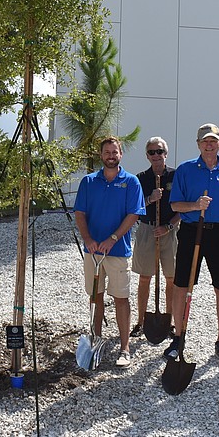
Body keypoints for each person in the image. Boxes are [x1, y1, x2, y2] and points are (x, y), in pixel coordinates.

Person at [165, 123, 219, 366]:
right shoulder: (186, 170)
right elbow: (175, 205)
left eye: (213, 141)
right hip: (191, 232)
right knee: (182, 286)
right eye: (204, 141)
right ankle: (178, 337)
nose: (209, 145)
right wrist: (195, 205)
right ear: (198, 144)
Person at [74, 136, 145, 368]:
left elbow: (133, 214)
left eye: (115, 152)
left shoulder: (131, 182)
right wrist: (88, 239)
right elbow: (80, 213)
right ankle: (95, 342)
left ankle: (125, 348)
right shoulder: (88, 181)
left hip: (118, 251)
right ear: (101, 155)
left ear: (121, 155)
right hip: (93, 250)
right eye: (107, 152)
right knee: (95, 297)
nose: (111, 156)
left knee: (121, 298)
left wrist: (112, 239)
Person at [130, 137, 180, 339]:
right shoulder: (140, 178)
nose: (156, 155)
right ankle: (141, 322)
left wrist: (168, 227)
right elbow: (134, 207)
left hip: (169, 230)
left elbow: (182, 208)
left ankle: (169, 321)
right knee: (145, 277)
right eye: (152, 152)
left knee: (171, 278)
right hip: (147, 230)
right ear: (147, 156)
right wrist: (151, 198)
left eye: (159, 151)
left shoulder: (176, 176)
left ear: (165, 154)